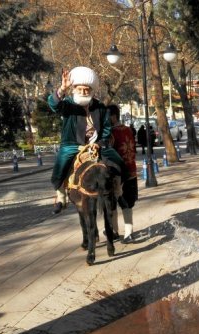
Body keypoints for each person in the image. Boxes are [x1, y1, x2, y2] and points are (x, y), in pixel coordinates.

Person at [47, 66, 127, 214]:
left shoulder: (101, 108)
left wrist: (98, 144)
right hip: (72, 145)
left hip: (96, 144)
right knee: (60, 166)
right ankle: (61, 196)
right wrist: (62, 89)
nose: (84, 92)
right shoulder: (68, 104)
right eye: (80, 89)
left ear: (92, 91)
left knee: (117, 161)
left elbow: (106, 130)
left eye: (87, 90)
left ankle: (118, 191)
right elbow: (53, 105)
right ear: (74, 89)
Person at [108, 104, 138, 243]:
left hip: (117, 174)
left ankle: (114, 231)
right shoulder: (128, 130)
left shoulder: (110, 133)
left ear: (113, 117)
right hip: (131, 170)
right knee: (128, 203)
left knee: (113, 201)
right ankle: (129, 233)